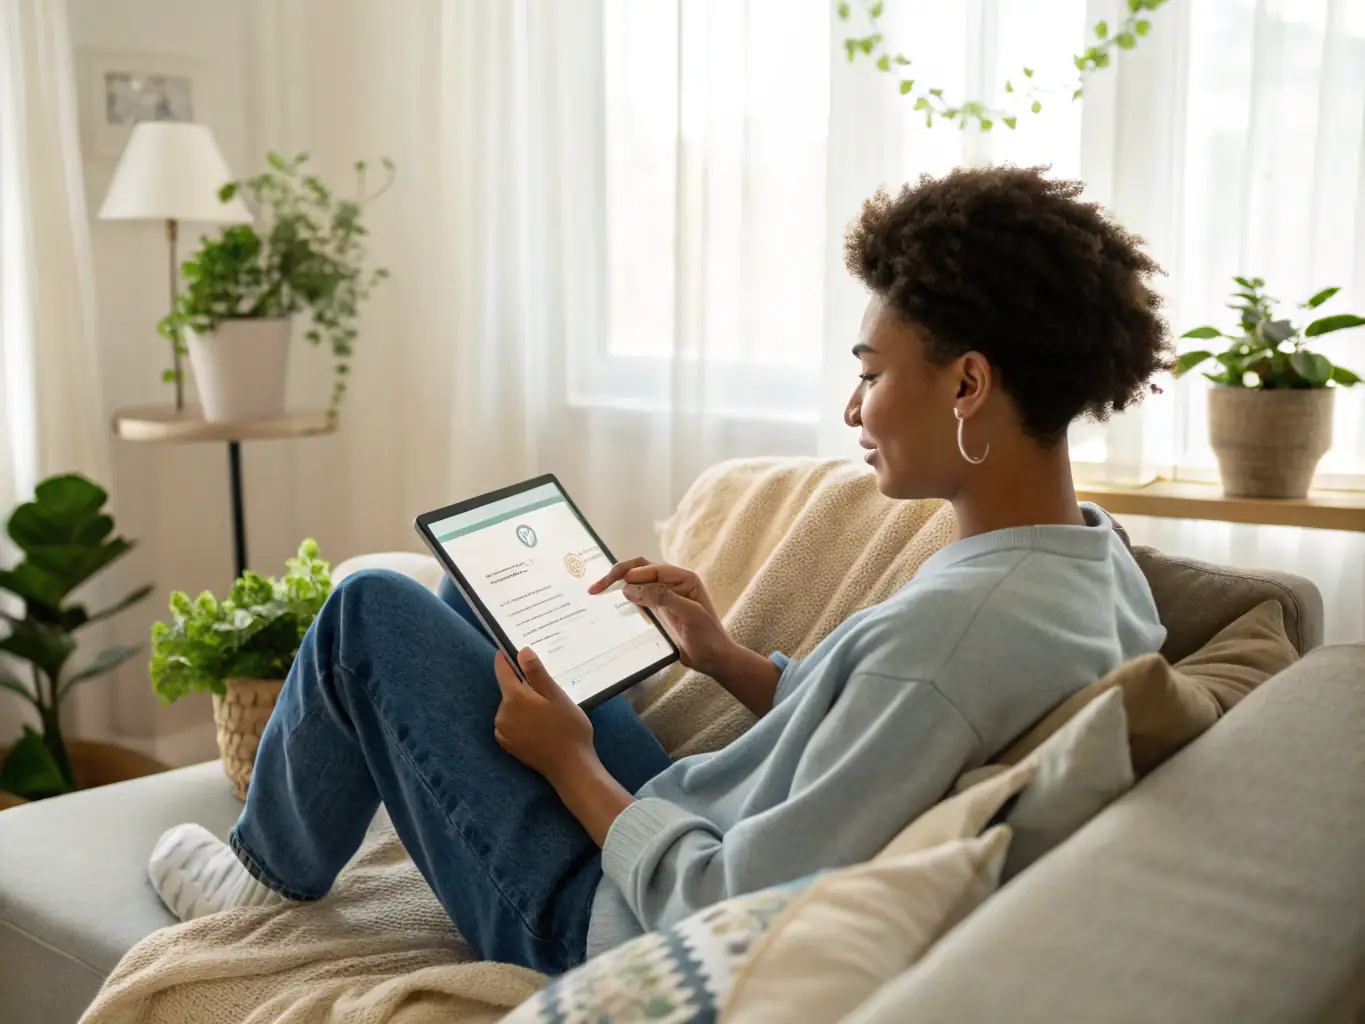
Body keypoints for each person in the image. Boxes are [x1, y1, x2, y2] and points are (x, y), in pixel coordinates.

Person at [149, 166, 1171, 975]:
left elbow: (724, 902)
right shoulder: (1088, 559)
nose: (851, 411)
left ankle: (262, 876)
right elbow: (873, 741)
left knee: (369, 606)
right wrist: (726, 657)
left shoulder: (957, 635)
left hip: (609, 916)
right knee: (480, 593)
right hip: (685, 819)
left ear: (969, 382)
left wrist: (569, 764)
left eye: (867, 375)